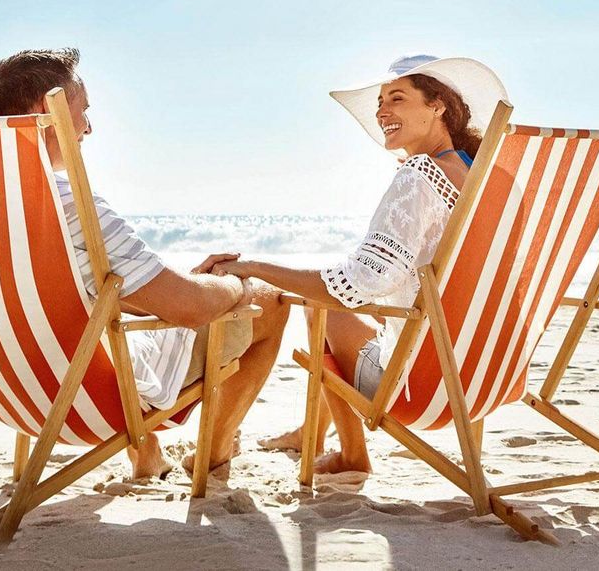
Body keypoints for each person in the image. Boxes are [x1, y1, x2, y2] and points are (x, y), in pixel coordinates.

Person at [0, 48, 290, 480]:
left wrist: (179, 285)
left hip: (6, 391)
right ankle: (213, 457)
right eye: (82, 111)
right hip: (82, 398)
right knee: (270, 303)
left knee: (118, 310)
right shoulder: (70, 208)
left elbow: (75, 300)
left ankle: (147, 450)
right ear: (43, 112)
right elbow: (191, 310)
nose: (89, 126)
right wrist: (234, 284)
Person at [195, 54, 507, 475]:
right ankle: (310, 429)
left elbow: (355, 283)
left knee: (320, 308)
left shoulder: (420, 175)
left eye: (396, 98)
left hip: (426, 385)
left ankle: (351, 455)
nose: (382, 111)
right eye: (381, 101)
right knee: (344, 313)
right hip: (486, 373)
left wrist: (251, 267)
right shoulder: (487, 181)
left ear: (438, 106)